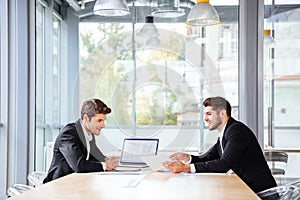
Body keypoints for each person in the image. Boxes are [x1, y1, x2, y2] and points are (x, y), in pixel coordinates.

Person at [163, 96, 277, 193]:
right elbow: (208, 158)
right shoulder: (225, 134)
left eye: (209, 114)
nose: (205, 119)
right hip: (247, 189)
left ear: (222, 113)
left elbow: (223, 164)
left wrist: (186, 168)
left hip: (260, 192)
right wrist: (188, 158)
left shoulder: (237, 131)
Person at [43, 98, 119, 183]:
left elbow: (95, 157)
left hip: (74, 185)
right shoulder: (68, 134)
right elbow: (79, 165)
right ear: (86, 118)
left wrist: (107, 161)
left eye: (104, 121)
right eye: (99, 120)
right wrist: (105, 166)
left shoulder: (89, 134)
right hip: (57, 186)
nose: (103, 125)